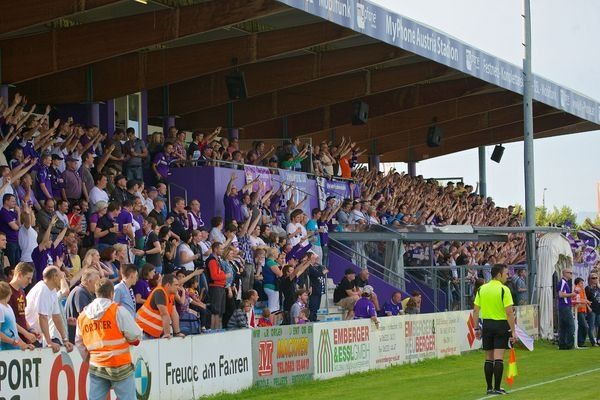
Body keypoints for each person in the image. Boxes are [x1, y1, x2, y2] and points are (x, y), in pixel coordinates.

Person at [75, 278, 142, 400]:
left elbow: (79, 343)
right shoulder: (117, 311)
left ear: (96, 293)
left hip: (97, 365)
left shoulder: (83, 316)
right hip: (120, 364)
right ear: (112, 294)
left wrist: (88, 359)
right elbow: (135, 335)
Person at [472, 264, 517, 396]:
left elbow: (475, 311)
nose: (507, 276)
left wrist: (476, 328)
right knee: (498, 358)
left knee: (488, 358)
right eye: (506, 273)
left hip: (487, 325)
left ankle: (489, 388)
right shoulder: (504, 289)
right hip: (501, 325)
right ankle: (497, 387)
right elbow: (509, 312)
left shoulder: (482, 289)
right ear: (499, 274)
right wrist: (513, 330)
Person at [25, 266, 74, 353]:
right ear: (55, 277)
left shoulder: (52, 290)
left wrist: (65, 339)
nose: (62, 280)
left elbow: (56, 316)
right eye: (61, 277)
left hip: (38, 337)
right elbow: (42, 317)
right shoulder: (43, 289)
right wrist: (49, 342)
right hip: (31, 337)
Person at [136, 273, 185, 339]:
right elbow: (164, 314)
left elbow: (174, 313)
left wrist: (177, 333)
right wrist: (167, 334)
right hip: (143, 331)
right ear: (168, 285)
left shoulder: (171, 295)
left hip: (151, 332)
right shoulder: (159, 292)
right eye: (176, 285)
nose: (178, 288)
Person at [65, 269, 100, 343]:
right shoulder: (80, 292)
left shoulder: (83, 291)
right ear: (89, 282)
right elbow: (85, 316)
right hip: (76, 339)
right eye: (96, 282)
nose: (98, 285)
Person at [8, 262, 39, 344]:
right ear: (20, 275)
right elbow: (8, 320)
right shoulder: (7, 291)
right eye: (28, 278)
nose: (30, 282)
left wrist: (30, 330)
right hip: (12, 339)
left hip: (23, 339)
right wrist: (26, 333)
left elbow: (22, 316)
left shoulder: (22, 292)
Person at [0, 281, 34, 350]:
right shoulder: (1, 308)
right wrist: (14, 342)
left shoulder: (8, 307)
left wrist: (23, 344)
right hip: (4, 350)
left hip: (13, 349)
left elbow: (13, 329)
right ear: (9, 293)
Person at [557, 268, 577, 350]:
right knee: (571, 326)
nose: (571, 274)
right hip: (564, 306)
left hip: (564, 306)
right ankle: (569, 344)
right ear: (565, 273)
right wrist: (571, 294)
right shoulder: (563, 282)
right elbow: (560, 294)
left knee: (563, 327)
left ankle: (562, 345)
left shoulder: (565, 282)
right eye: (570, 273)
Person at [573, 277, 591, 347]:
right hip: (579, 310)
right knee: (584, 326)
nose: (582, 284)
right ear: (577, 283)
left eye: (582, 283)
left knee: (582, 326)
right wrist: (586, 301)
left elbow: (584, 298)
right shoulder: (577, 289)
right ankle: (580, 342)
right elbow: (577, 299)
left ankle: (580, 342)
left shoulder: (582, 289)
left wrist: (588, 306)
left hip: (583, 310)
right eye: (581, 283)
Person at [585, 272, 600, 346]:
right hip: (592, 310)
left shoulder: (598, 288)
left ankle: (598, 340)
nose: (595, 279)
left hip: (598, 309)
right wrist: (588, 307)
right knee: (591, 326)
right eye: (593, 278)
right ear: (590, 279)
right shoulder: (587, 288)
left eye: (596, 278)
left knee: (599, 325)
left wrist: (598, 285)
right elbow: (585, 299)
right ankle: (593, 342)